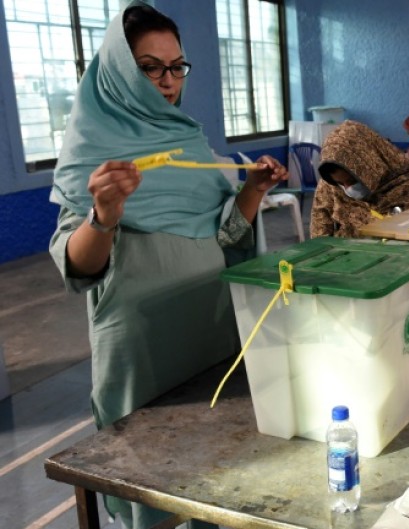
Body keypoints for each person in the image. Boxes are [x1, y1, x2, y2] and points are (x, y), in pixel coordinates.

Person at [48, 3, 288, 528]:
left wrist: (252, 190)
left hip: (209, 329)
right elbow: (77, 265)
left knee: (218, 468)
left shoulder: (186, 140)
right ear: (118, 71)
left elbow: (226, 237)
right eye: (150, 67)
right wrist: (103, 215)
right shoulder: (93, 149)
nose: (168, 81)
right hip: (144, 344)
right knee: (151, 477)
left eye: (177, 66)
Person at [310, 120, 409, 237]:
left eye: (352, 181)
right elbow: (320, 233)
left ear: (370, 167)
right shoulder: (330, 185)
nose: (348, 189)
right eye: (340, 183)